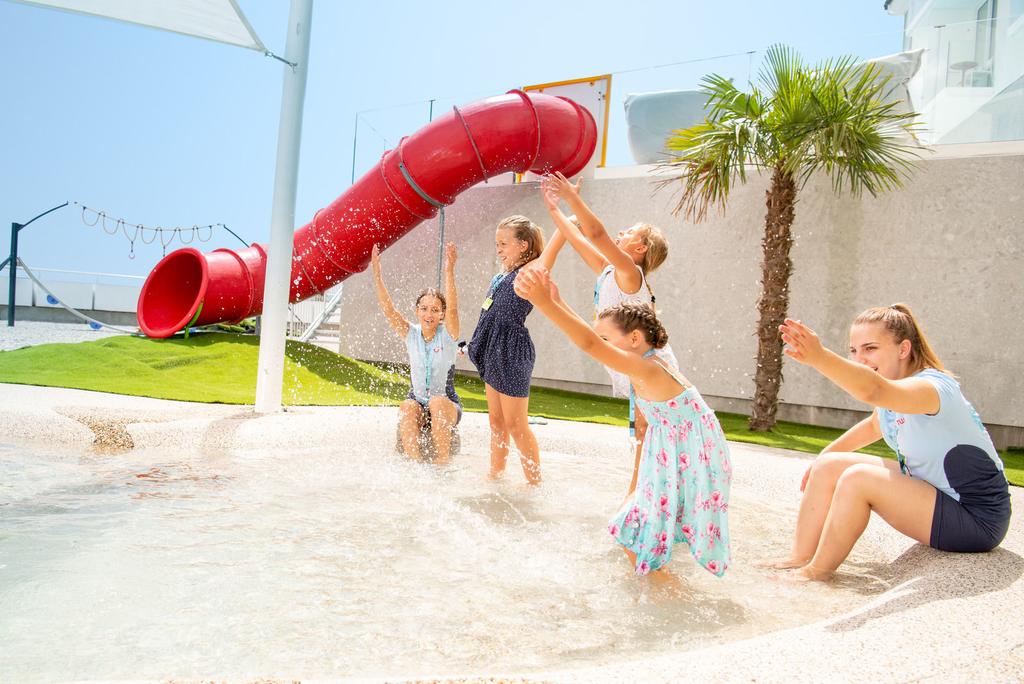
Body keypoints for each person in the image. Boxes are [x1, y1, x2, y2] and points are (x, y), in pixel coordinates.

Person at [764, 305, 1011, 581]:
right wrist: (823, 458)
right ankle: (799, 557)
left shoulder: (932, 387)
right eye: (854, 350)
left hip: (976, 519)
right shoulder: (895, 390)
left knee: (858, 479)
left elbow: (872, 389)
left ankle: (815, 573)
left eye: (870, 348)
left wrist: (820, 357)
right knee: (829, 465)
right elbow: (874, 426)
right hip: (938, 493)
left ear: (903, 349)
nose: (859, 359)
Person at [514, 267, 731, 577]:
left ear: (634, 338)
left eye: (607, 338)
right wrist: (557, 301)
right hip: (685, 450)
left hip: (694, 456)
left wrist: (545, 304)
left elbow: (589, 344)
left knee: (636, 528)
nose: (601, 343)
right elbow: (592, 337)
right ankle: (658, 583)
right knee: (638, 528)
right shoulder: (646, 361)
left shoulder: (647, 367)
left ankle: (661, 587)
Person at [540, 171, 679, 504]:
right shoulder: (609, 270)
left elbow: (597, 233)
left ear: (640, 248)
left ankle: (638, 497)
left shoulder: (631, 273)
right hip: (632, 361)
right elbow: (578, 238)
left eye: (630, 232)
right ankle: (644, 495)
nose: (621, 232)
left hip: (649, 363)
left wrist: (572, 198)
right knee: (644, 431)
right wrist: (555, 209)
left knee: (647, 431)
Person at [467, 215, 545, 485]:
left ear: (523, 245)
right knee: (496, 421)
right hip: (493, 348)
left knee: (516, 424)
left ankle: (534, 483)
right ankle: (496, 474)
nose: (498, 249)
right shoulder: (501, 276)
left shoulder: (529, 272)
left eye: (504, 243)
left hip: (512, 351)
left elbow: (549, 255)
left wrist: (566, 225)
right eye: (496, 244)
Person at [371, 242, 461, 465]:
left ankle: (441, 465)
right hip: (419, 402)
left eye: (435, 310)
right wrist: (377, 275)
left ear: (442, 314)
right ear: (417, 311)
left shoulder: (448, 336)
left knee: (437, 402)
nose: (429, 314)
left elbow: (454, 309)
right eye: (424, 308)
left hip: (446, 404)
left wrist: (449, 270)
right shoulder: (411, 334)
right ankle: (415, 465)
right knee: (407, 406)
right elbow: (389, 310)